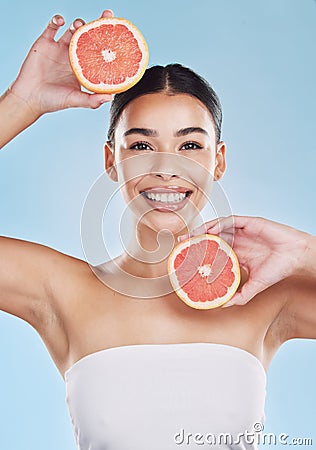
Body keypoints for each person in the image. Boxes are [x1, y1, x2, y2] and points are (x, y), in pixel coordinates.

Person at [0, 9, 315, 450]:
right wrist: (23, 100)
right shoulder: (61, 291)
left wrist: (306, 254)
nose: (167, 168)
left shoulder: (263, 294)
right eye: (142, 145)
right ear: (112, 161)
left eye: (189, 145)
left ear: (218, 161)